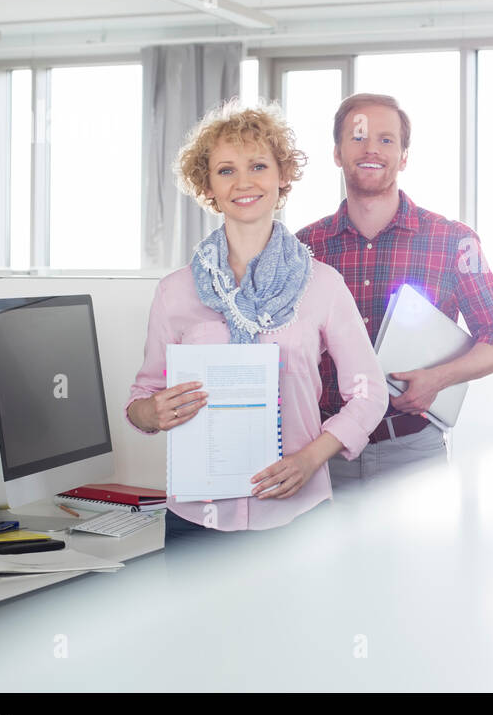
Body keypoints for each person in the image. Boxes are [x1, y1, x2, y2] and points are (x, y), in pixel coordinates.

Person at [126, 99, 388, 537]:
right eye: (226, 170)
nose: (243, 182)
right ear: (207, 185)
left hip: (297, 513)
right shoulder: (175, 291)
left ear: (282, 176)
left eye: (259, 166)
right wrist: (152, 412)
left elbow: (369, 393)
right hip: (198, 518)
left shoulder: (322, 285)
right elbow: (142, 398)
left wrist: (311, 459)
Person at [296, 92, 493, 484]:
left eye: (386, 139)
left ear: (404, 156)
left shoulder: (452, 240)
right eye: (358, 137)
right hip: (322, 454)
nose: (371, 149)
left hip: (413, 454)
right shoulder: (303, 249)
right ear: (337, 152)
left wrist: (440, 378)